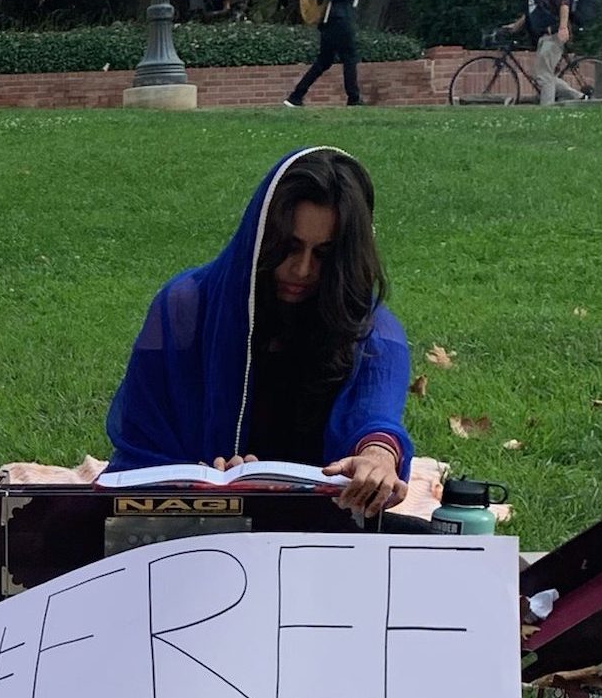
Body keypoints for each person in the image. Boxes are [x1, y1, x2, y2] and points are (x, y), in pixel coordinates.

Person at [103, 148, 412, 521]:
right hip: (183, 518)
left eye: (323, 255)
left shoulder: (370, 327)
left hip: (315, 522)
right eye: (289, 247)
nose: (301, 269)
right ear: (260, 236)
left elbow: (376, 417)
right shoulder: (184, 307)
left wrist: (378, 458)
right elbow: (144, 439)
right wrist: (206, 482)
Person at [284, 0, 366, 107]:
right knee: (349, 56)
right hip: (335, 19)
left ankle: (296, 96)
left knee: (324, 60)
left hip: (340, 18)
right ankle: (353, 97)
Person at [504, 0, 587, 105]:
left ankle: (547, 109)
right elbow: (532, 11)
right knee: (542, 74)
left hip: (554, 34)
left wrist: (563, 27)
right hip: (543, 36)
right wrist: (515, 26)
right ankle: (580, 98)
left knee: (543, 75)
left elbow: (564, 3)